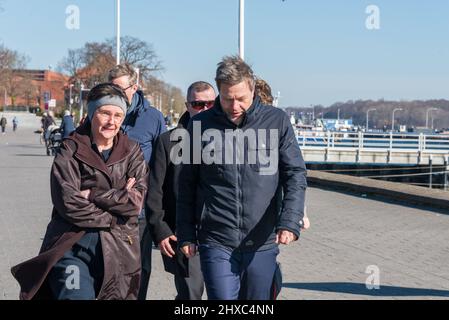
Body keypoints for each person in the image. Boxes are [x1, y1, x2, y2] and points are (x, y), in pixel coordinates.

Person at [176, 56, 307, 300]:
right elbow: (186, 184)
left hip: (262, 240)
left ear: (252, 89)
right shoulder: (199, 125)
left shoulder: (276, 121)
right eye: (227, 99)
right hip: (216, 239)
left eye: (241, 99)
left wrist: (290, 220)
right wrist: (185, 232)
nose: (234, 106)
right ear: (219, 92)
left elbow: (295, 174)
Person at [11, 83, 149, 300]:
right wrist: (114, 214)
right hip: (73, 245)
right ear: (91, 113)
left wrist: (93, 194)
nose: (111, 122)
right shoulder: (70, 149)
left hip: (120, 249)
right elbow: (69, 203)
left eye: (118, 115)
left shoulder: (132, 152)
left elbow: (135, 202)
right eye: (105, 113)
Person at [146, 81, 216, 300]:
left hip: (222, 233)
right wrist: (161, 230)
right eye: (198, 104)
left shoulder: (231, 142)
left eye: (210, 103)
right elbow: (154, 190)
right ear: (188, 105)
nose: (204, 108)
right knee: (191, 294)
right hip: (183, 233)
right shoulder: (167, 142)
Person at [108, 63, 167, 300]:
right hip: (105, 204)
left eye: (119, 88)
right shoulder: (101, 113)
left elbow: (163, 162)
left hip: (138, 208)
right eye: (110, 87)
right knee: (109, 265)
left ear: (134, 87)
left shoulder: (153, 118)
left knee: (139, 267)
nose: (114, 93)